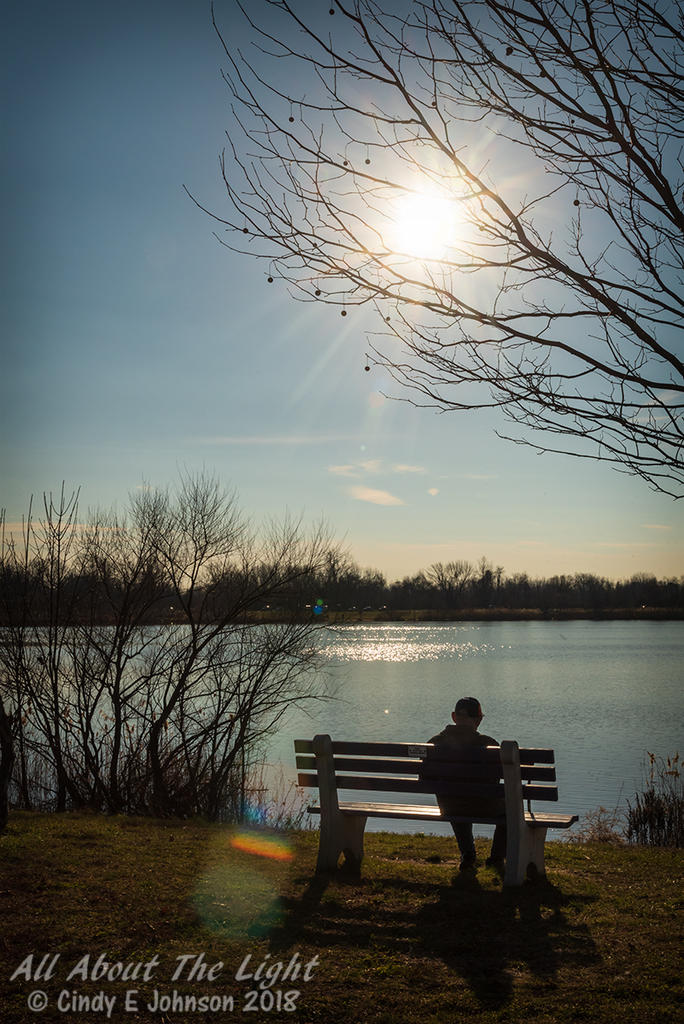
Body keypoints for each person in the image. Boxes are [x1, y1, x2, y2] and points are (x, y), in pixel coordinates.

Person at [423, 696, 507, 871]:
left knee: (455, 797)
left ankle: (468, 854)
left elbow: (424, 779)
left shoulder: (433, 743)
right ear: (479, 719)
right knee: (511, 810)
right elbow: (495, 780)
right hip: (485, 807)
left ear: (454, 717)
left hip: (449, 806)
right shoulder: (490, 745)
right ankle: (496, 858)